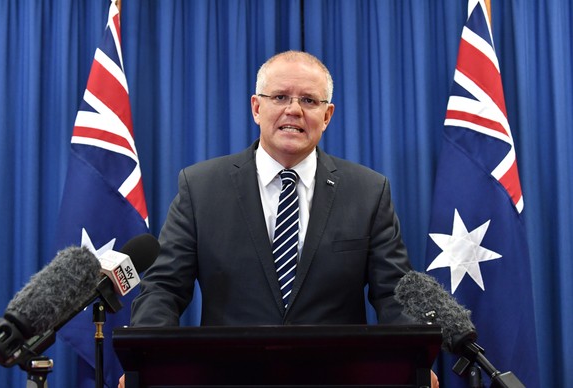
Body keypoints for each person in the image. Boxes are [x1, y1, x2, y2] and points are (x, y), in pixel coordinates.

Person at [119, 50, 438, 387]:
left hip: (337, 377)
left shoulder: (368, 191)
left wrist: (413, 361)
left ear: (327, 115)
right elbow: (164, 289)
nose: (294, 110)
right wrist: (146, 361)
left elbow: (394, 294)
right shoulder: (200, 188)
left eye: (309, 100)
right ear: (257, 107)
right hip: (227, 377)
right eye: (281, 97)